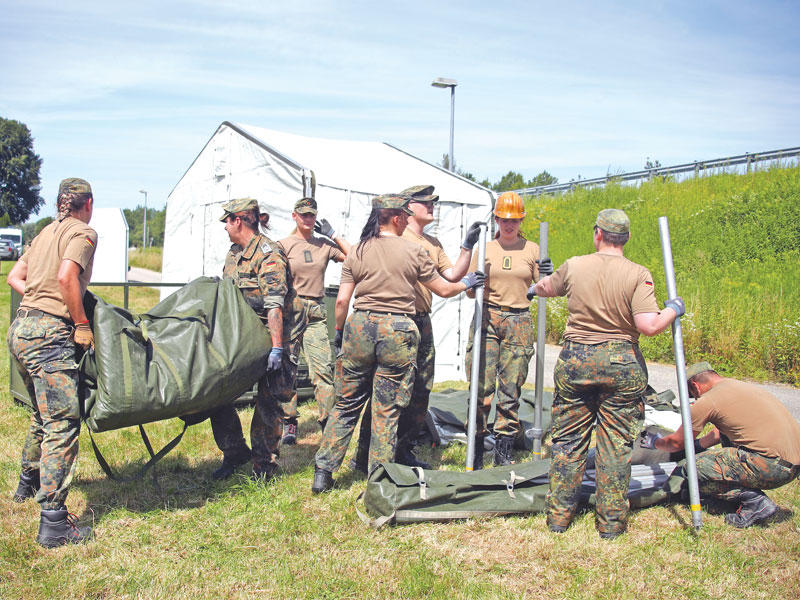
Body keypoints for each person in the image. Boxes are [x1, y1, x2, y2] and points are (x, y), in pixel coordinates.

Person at [311, 194, 484, 492]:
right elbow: (443, 288)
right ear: (395, 217)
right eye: (404, 215)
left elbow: (341, 301)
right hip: (398, 330)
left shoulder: (359, 250)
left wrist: (340, 333)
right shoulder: (413, 251)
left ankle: (324, 472)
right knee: (386, 409)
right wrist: (467, 283)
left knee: (347, 403)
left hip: (359, 326)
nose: (407, 220)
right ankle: (377, 478)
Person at [531, 208, 683, 539]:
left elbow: (544, 289)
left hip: (576, 361)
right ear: (626, 238)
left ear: (597, 233)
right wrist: (673, 308)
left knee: (569, 442)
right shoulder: (638, 273)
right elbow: (649, 325)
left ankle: (558, 518)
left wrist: (539, 282)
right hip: (622, 364)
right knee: (615, 446)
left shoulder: (574, 265)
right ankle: (611, 526)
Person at [349, 184, 481, 471]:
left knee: (420, 388)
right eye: (426, 203)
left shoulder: (432, 243)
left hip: (423, 321)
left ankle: (404, 448)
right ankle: (367, 455)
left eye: (433, 202)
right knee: (386, 392)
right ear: (408, 208)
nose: (432, 206)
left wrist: (467, 247)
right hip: (398, 322)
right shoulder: (398, 237)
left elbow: (451, 275)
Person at [7, 178, 97, 548]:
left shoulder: (44, 232)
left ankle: (26, 485)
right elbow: (66, 276)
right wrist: (79, 323)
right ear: (87, 203)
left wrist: (38, 300)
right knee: (62, 422)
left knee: (41, 415)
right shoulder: (84, 232)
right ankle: (55, 525)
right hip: (50, 336)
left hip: (21, 328)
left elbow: (16, 277)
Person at [207, 197, 307, 481]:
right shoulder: (234, 252)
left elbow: (274, 305)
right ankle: (235, 451)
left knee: (269, 399)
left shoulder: (269, 254)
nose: (225, 227)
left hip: (279, 334)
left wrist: (277, 348)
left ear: (238, 220)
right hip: (247, 333)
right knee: (217, 392)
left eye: (227, 221)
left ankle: (264, 466)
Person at [642, 362, 800, 528]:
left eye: (693, 394)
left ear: (695, 386)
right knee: (719, 448)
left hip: (772, 467)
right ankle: (747, 493)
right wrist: (697, 447)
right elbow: (717, 434)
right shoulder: (740, 387)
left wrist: (656, 442)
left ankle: (755, 502)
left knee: (694, 468)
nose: (695, 399)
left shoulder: (708, 400)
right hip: (793, 467)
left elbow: (676, 442)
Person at [464, 191, 552, 468]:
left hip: (519, 320)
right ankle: (475, 448)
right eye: (504, 220)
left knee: (510, 388)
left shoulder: (533, 250)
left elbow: (546, 289)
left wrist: (549, 274)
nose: (509, 225)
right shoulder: (486, 249)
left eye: (514, 220)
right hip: (487, 317)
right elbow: (469, 292)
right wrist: (471, 282)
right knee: (481, 386)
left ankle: (503, 452)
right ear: (497, 220)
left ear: (521, 220)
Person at [278, 197, 351, 444]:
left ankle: (327, 423)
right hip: (293, 309)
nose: (308, 219)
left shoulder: (324, 245)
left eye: (312, 215)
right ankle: (289, 423)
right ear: (294, 216)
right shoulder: (283, 245)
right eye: (303, 215)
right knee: (287, 368)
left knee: (323, 370)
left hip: (317, 312)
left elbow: (355, 257)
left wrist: (334, 234)